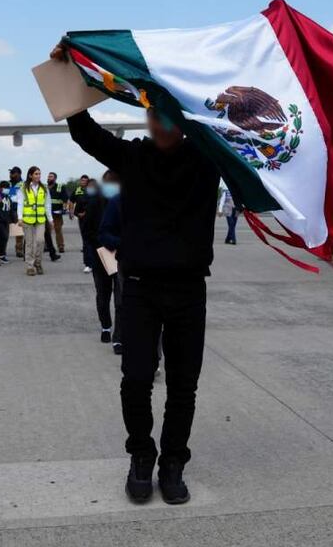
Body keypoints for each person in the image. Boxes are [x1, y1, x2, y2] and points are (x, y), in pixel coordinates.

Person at [64, 102, 220, 507]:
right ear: (148, 120)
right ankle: (141, 454)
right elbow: (85, 132)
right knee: (135, 378)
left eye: (169, 116)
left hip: (188, 290)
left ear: (184, 121)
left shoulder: (209, 155)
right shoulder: (132, 157)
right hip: (139, 288)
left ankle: (172, 463)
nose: (161, 125)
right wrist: (67, 75)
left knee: (184, 385)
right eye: (155, 116)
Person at [84, 174, 119, 345]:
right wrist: (102, 246)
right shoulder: (95, 203)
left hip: (122, 256)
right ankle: (106, 326)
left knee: (122, 297)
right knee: (103, 294)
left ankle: (119, 335)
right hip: (101, 255)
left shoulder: (125, 202)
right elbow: (88, 230)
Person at [99, 176, 125, 354]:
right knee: (112, 297)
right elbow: (102, 233)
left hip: (153, 262)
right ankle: (116, 335)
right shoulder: (116, 202)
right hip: (119, 258)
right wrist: (124, 243)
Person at [17, 166, 50, 276]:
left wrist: (51, 219)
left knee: (40, 241)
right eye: (36, 174)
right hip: (27, 220)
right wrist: (20, 218)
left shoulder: (44, 188)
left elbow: (47, 205)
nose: (38, 176)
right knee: (29, 244)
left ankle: (38, 263)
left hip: (40, 219)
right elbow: (20, 204)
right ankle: (30, 266)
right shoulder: (23, 188)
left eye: (39, 174)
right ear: (30, 175)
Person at [70, 175, 93, 272]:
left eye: (85, 180)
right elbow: (71, 201)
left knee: (91, 241)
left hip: (91, 218)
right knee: (85, 240)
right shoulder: (77, 190)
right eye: (82, 180)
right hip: (81, 218)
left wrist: (86, 212)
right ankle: (88, 264)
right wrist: (71, 212)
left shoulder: (91, 191)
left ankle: (92, 263)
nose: (83, 182)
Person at [47, 172, 67, 256]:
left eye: (51, 177)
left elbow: (65, 199)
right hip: (47, 213)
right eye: (48, 176)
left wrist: (64, 208)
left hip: (57, 213)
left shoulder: (60, 187)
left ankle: (61, 246)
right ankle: (46, 246)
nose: (48, 178)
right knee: (47, 231)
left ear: (55, 178)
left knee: (58, 230)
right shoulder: (45, 187)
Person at [7, 167, 24, 258]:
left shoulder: (23, 184)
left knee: (19, 231)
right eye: (11, 173)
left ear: (19, 174)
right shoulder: (8, 183)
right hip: (7, 209)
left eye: (13, 173)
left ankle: (19, 250)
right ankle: (2, 250)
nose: (11, 175)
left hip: (17, 209)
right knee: (4, 231)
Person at [0, 180, 12, 263]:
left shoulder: (8, 198)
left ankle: (2, 254)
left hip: (6, 221)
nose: (7, 189)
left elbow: (10, 209)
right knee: (3, 236)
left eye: (8, 188)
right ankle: (0, 255)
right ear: (1, 188)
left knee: (5, 237)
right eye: (6, 188)